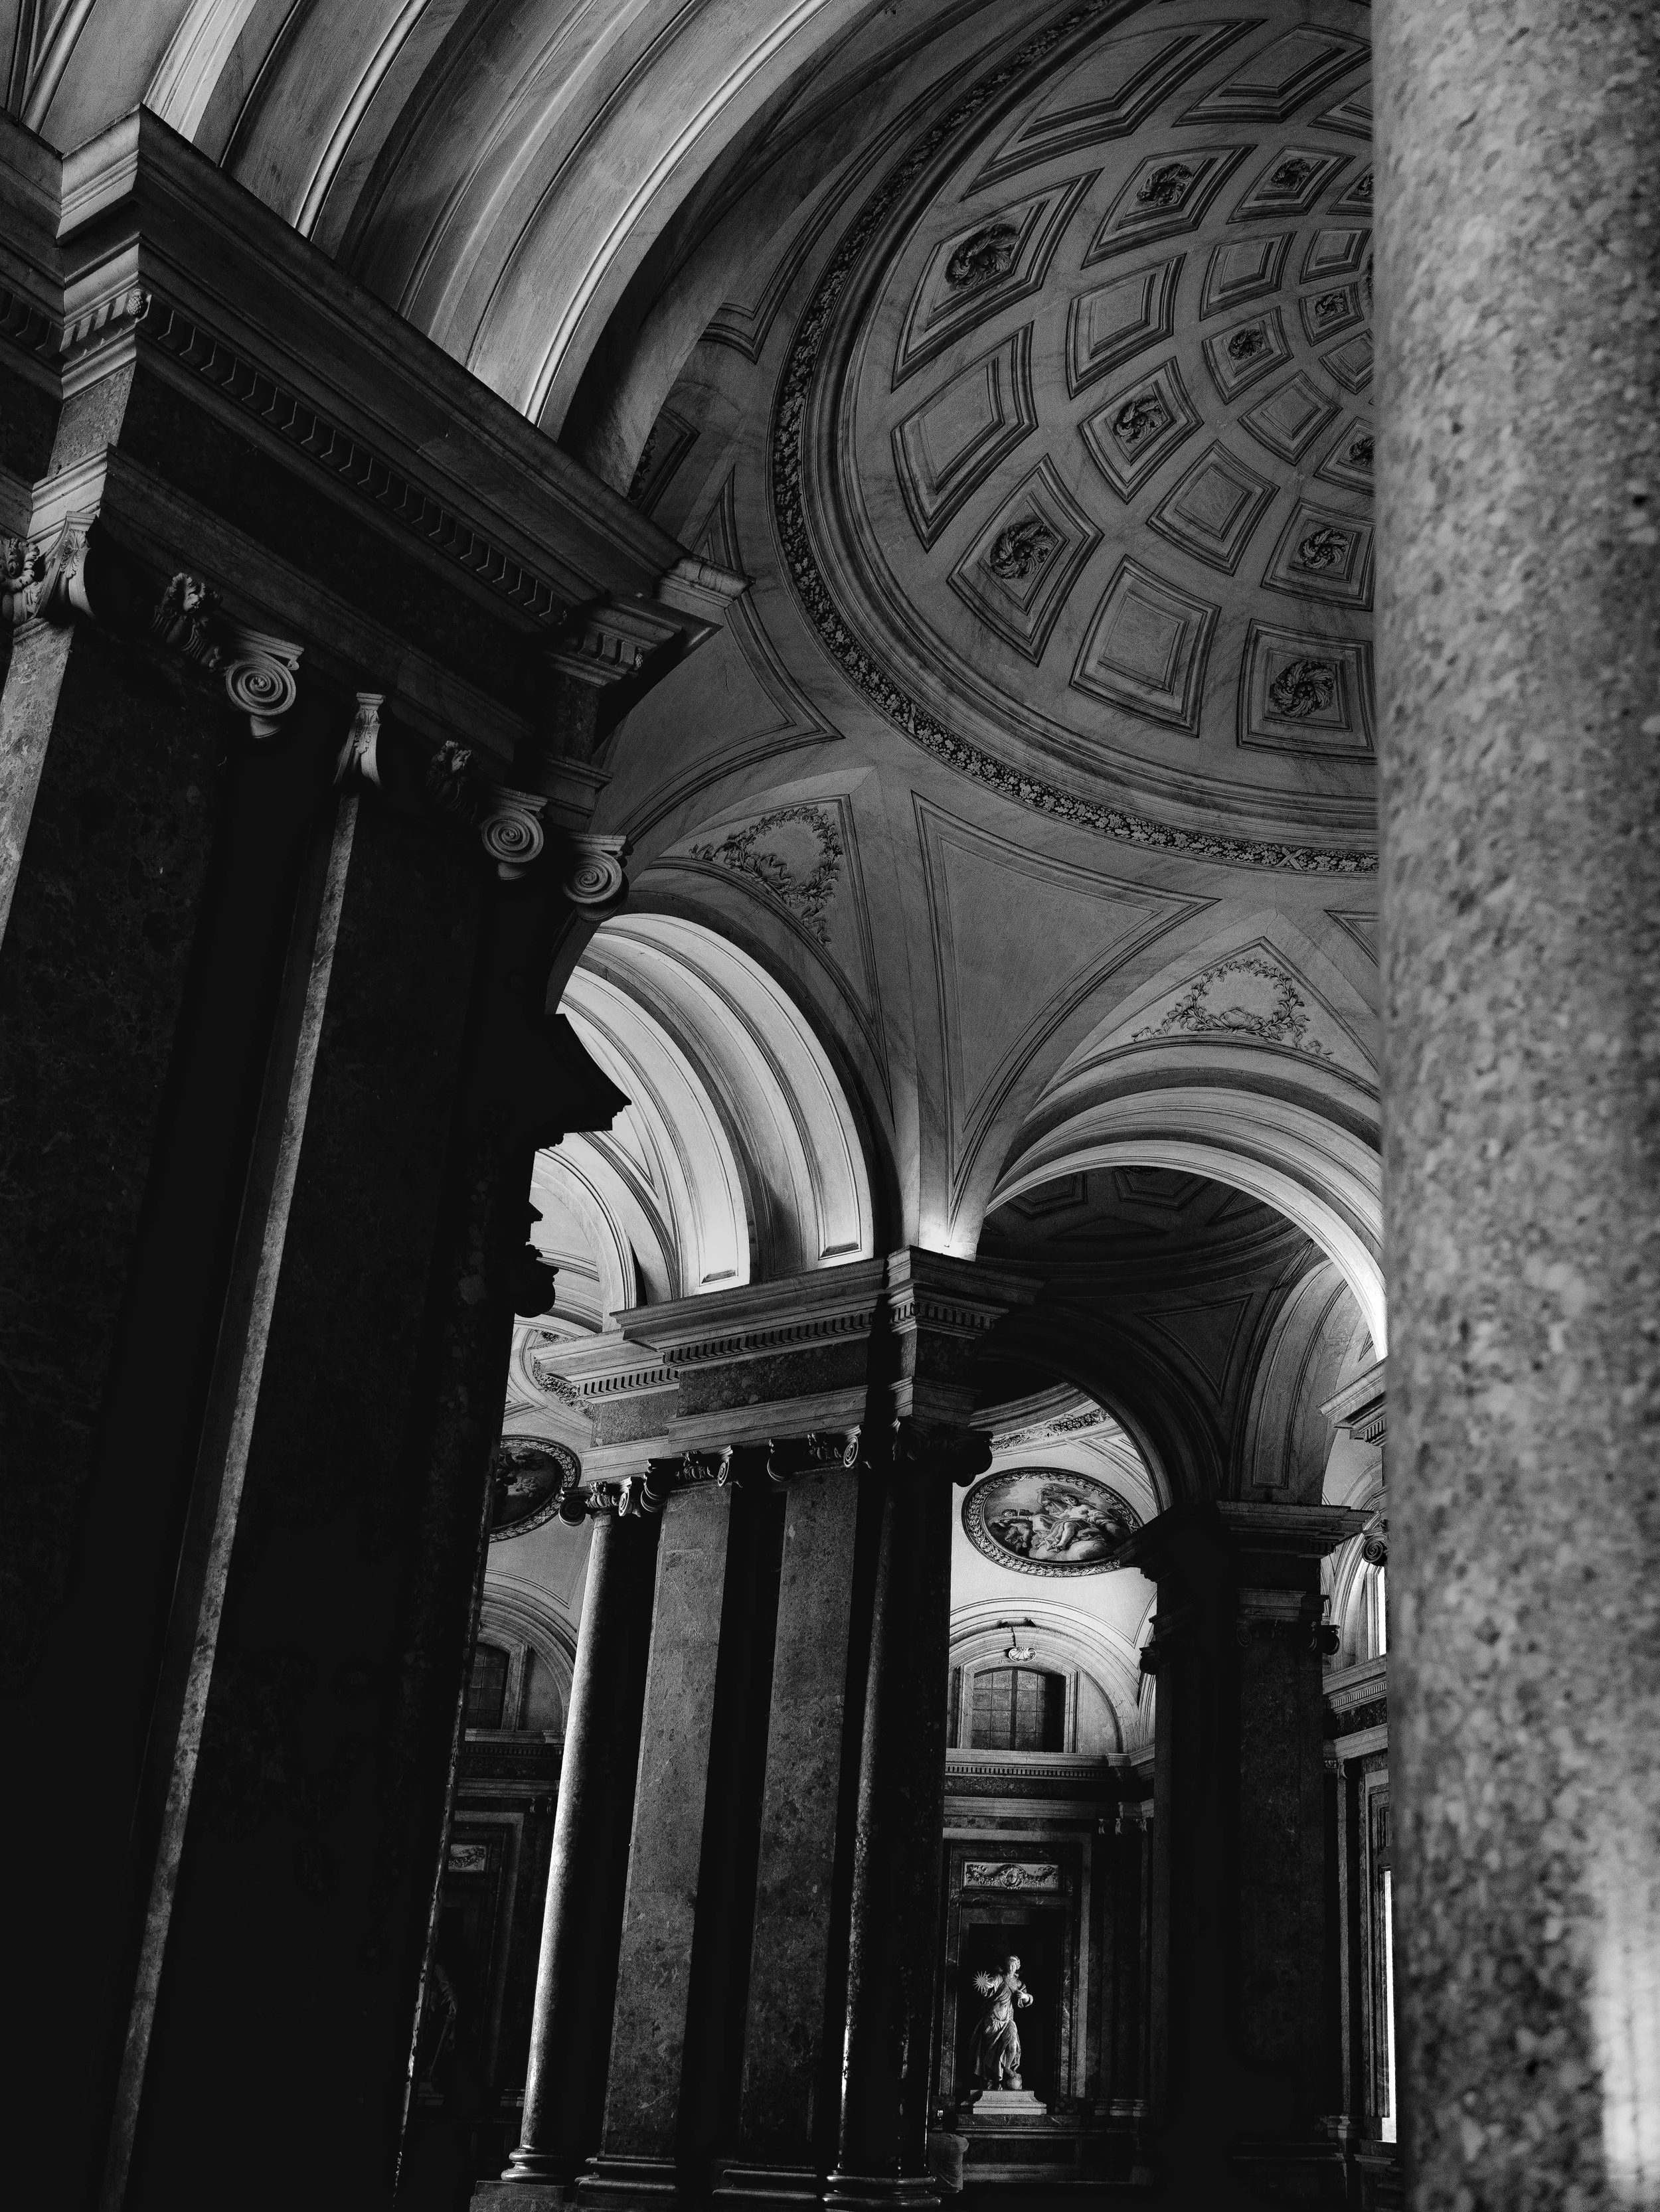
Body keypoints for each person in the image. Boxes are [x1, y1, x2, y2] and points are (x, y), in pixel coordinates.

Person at [968, 1954, 1034, 2090]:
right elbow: (990, 1985)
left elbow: (1029, 1998)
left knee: (1013, 2044)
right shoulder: (999, 1977)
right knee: (992, 2052)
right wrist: (984, 1983)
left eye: (1013, 1965)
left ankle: (1008, 2068)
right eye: (1008, 1964)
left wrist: (1025, 1996)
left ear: (1017, 1967)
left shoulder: (1019, 1984)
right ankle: (993, 2080)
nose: (1010, 1967)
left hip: (1008, 2020)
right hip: (993, 2019)